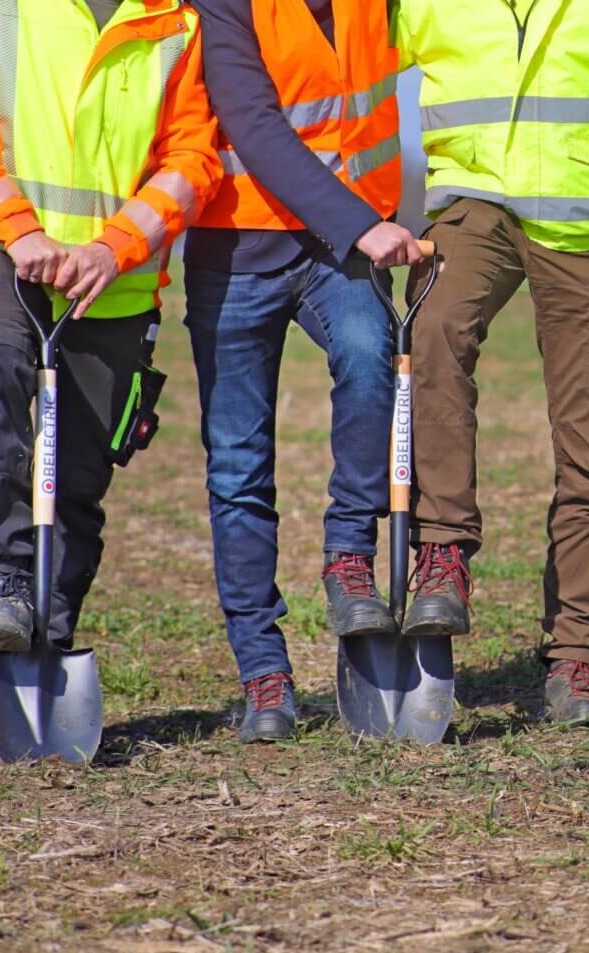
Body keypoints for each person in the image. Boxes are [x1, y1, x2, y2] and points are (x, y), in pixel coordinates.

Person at [391, 0, 589, 722]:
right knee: (433, 332)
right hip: (474, 207)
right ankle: (442, 554)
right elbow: (351, 65)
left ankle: (574, 650)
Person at [0, 0, 220, 654]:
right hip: (0, 250)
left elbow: (192, 159)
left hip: (113, 280)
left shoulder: (181, 22)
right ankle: (5, 579)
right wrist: (19, 228)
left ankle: (50, 634)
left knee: (77, 476)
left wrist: (114, 247)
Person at [185, 0, 422, 742]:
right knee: (238, 466)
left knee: (368, 352)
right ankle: (264, 675)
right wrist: (363, 224)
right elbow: (254, 127)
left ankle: (348, 554)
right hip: (236, 252)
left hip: (335, 251)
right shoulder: (223, 8)